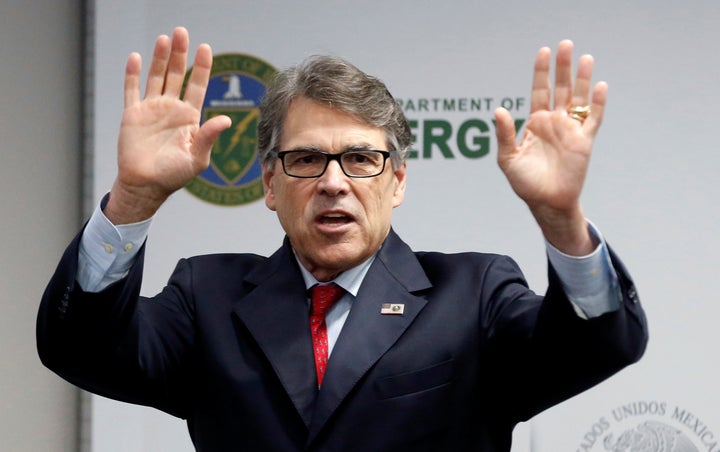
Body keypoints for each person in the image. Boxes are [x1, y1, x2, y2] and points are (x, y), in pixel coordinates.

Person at [37, 27, 648, 452]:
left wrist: (560, 217)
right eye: (306, 159)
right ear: (271, 183)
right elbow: (80, 349)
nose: (334, 183)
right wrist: (134, 199)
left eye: (361, 158)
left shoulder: (474, 293)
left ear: (398, 180)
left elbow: (596, 345)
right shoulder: (208, 297)